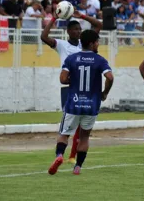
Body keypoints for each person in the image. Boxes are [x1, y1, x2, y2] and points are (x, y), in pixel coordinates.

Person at [48, 29, 114, 175]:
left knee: (64, 134)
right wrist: (104, 93)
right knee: (84, 137)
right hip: (92, 105)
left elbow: (63, 79)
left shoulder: (71, 59)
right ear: (91, 44)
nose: (98, 44)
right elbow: (110, 77)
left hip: (73, 104)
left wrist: (75, 81)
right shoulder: (100, 60)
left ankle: (59, 156)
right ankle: (78, 166)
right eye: (97, 42)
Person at [41, 10, 102, 164]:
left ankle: (72, 156)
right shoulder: (61, 45)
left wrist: (81, 16)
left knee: (82, 126)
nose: (78, 31)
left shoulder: (86, 44)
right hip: (69, 87)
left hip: (87, 89)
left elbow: (99, 25)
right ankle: (70, 156)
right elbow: (44, 37)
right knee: (71, 123)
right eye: (75, 29)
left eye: (80, 29)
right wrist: (54, 17)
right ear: (68, 31)